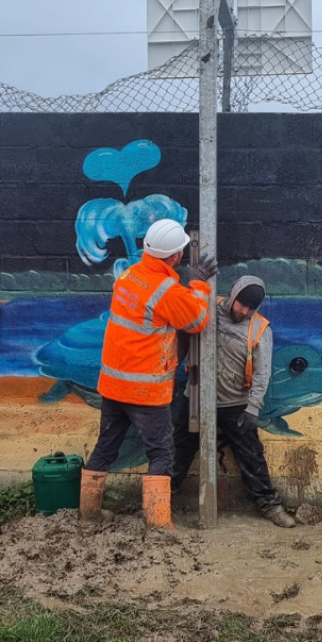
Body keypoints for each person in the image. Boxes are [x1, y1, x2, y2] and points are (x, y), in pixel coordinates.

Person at [80, 218, 217, 529]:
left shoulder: (128, 275)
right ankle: (159, 526)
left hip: (113, 385)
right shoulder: (165, 290)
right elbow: (196, 319)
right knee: (162, 454)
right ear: (174, 257)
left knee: (106, 446)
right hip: (144, 390)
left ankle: (88, 515)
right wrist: (197, 283)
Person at [172, 275, 297, 528]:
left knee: (251, 454)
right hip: (196, 397)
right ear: (233, 294)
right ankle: (163, 498)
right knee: (179, 448)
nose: (244, 311)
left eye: (251, 308)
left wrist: (253, 409)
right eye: (241, 304)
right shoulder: (207, 309)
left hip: (235, 404)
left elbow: (262, 373)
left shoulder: (260, 329)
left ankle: (269, 504)